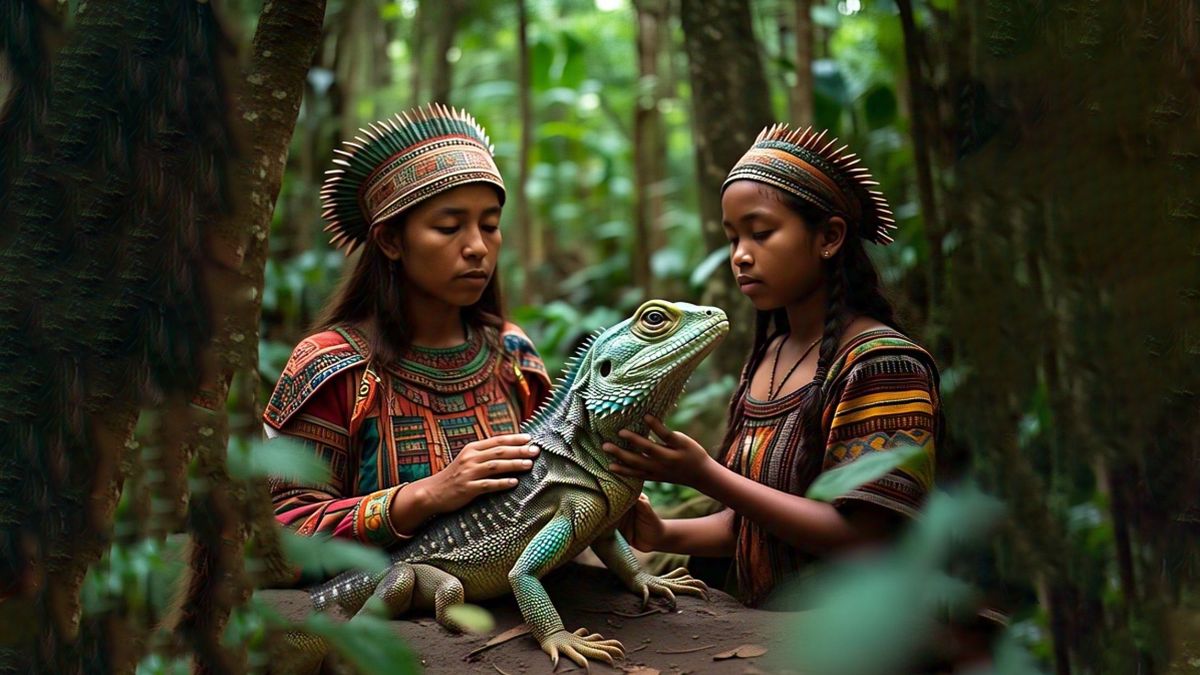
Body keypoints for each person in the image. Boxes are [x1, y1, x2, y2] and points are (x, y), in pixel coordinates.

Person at [604, 124, 942, 606]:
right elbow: (759, 524)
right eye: (733, 237)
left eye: (761, 233)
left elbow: (865, 538)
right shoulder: (770, 355)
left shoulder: (884, 366)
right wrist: (661, 534)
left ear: (829, 237)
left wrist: (705, 475)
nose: (741, 256)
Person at [262, 104, 551, 551]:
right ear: (392, 241)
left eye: (490, 225)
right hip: (376, 608)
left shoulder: (513, 355)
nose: (478, 247)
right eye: (449, 226)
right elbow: (276, 536)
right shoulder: (332, 366)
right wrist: (424, 495)